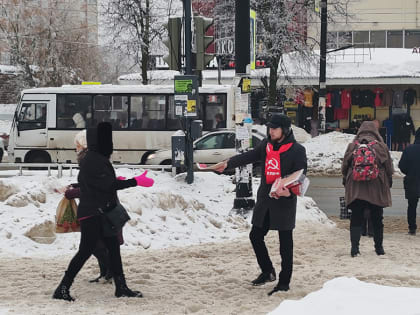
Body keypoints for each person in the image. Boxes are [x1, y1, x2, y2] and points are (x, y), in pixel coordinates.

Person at [53, 122, 154, 301]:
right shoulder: (93, 159)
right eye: (107, 140)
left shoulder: (95, 157)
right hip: (92, 213)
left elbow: (99, 183)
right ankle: (62, 288)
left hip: (101, 212)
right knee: (85, 250)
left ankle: (121, 287)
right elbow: (108, 185)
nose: (110, 144)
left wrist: (120, 180)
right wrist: (134, 181)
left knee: (113, 249)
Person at [214, 114, 307, 295]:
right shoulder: (267, 145)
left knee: (285, 244)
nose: (271, 131)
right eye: (270, 128)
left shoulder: (297, 150)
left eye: (275, 128)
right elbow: (250, 156)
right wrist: (227, 164)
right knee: (255, 236)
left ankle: (284, 282)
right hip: (265, 200)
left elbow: (301, 175)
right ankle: (267, 271)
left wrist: (289, 191)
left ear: (285, 130)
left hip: (284, 201)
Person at [341, 121, 393, 257]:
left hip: (356, 187)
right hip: (376, 186)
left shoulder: (353, 146)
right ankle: (379, 248)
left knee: (356, 217)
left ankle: (354, 249)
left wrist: (346, 180)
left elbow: (344, 166)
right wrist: (388, 181)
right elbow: (389, 167)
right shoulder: (381, 146)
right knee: (377, 218)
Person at [398, 127, 420, 235]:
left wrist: (409, 172)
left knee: (412, 206)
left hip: (412, 181)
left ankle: (412, 228)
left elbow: (402, 166)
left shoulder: (409, 149)